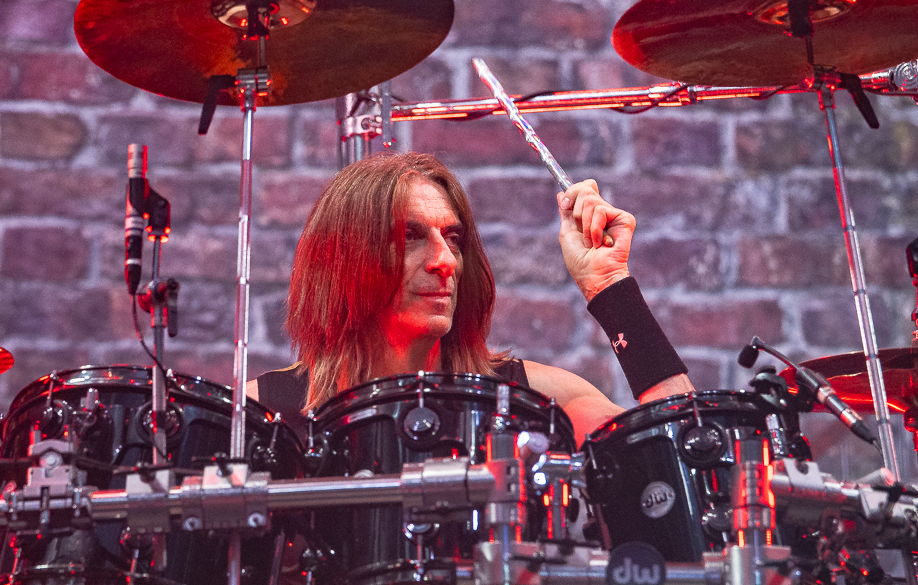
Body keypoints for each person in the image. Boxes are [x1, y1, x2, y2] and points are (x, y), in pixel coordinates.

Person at [248, 151, 693, 439]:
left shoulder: (532, 401)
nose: (445, 261)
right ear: (342, 258)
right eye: (410, 236)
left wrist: (610, 285)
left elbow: (685, 448)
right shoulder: (261, 417)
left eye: (454, 238)